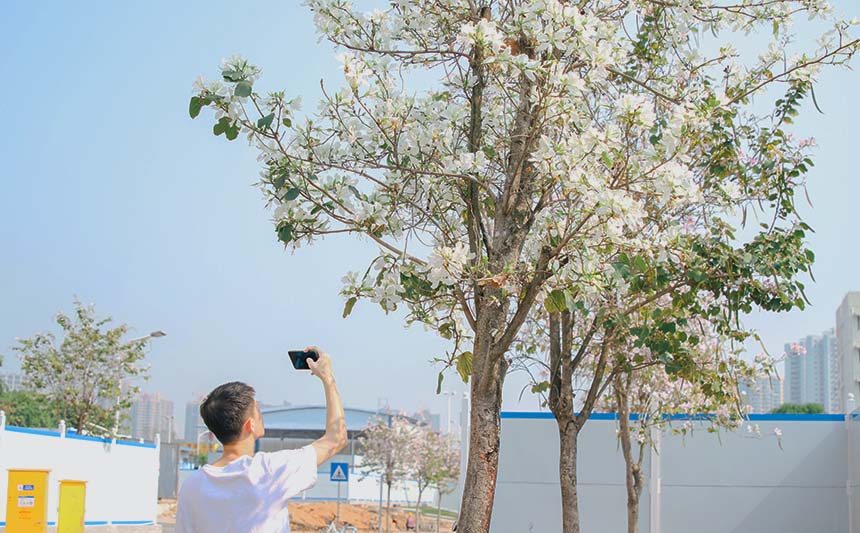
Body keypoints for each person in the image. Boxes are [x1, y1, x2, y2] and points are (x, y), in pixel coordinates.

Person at [176, 346, 347, 532]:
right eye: (258, 410)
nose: (261, 414)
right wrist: (328, 377)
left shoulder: (192, 487)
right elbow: (336, 438)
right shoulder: (270, 471)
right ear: (250, 425)